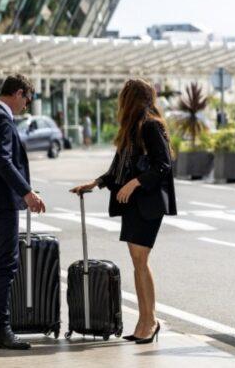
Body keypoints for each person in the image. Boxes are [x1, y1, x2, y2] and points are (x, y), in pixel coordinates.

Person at [70, 78, 177, 344]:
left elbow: (163, 165)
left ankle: (150, 321)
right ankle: (145, 320)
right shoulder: (132, 129)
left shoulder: (151, 126)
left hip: (147, 203)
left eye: (123, 97)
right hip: (134, 204)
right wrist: (95, 183)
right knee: (138, 263)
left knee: (140, 262)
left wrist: (135, 182)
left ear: (130, 99)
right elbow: (118, 166)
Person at [0, 74, 46, 350]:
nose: (26, 105)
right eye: (27, 99)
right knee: (6, 263)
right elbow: (3, 161)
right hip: (2, 201)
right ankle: (2, 330)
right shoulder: (2, 119)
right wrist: (27, 192)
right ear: (17, 93)